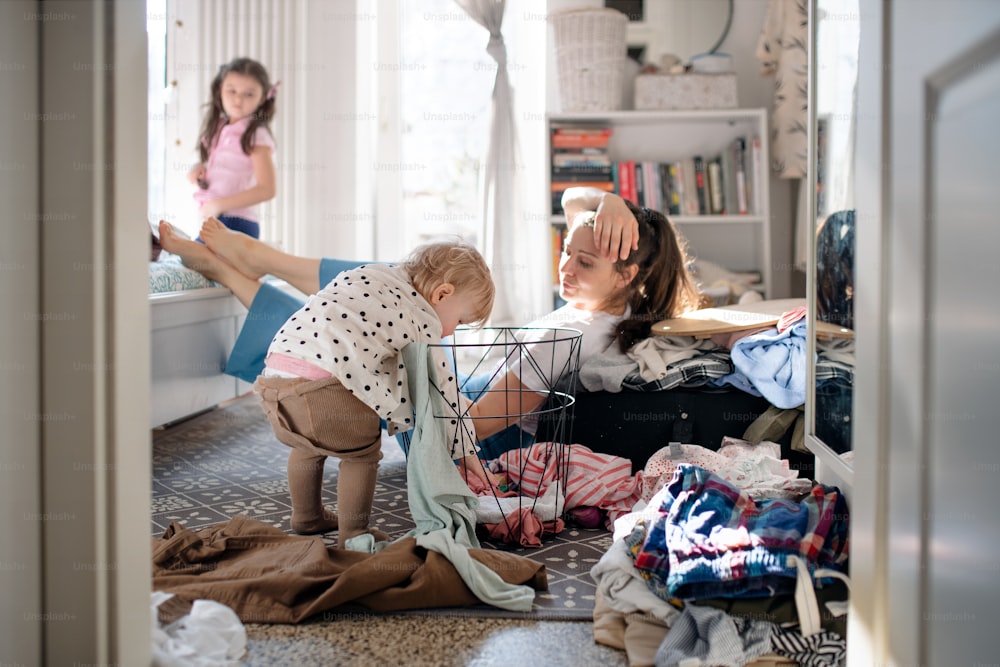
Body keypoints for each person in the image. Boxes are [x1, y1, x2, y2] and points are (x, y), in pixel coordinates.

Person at [157, 187, 706, 459]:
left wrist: (393, 384)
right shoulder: (626, 308)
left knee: (351, 326)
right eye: (567, 249)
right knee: (387, 293)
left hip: (458, 427)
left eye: (585, 262)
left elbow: (468, 429)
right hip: (467, 396)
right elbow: (574, 200)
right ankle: (250, 268)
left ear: (630, 273)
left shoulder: (562, 339)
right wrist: (610, 201)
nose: (566, 266)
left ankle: (252, 267)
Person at [253, 240, 498, 544]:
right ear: (442, 294)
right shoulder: (423, 317)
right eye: (459, 321)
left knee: (307, 444)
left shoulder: (372, 273)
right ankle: (353, 532)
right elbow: (443, 393)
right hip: (322, 386)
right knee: (362, 453)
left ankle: (307, 516)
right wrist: (468, 454)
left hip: (274, 381)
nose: (450, 331)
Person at [188, 57, 278, 239]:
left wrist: (219, 205)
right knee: (190, 257)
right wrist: (198, 169)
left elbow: (267, 188)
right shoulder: (220, 127)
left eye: (249, 94)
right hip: (217, 218)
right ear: (219, 90)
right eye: (232, 91)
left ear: (262, 98)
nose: (238, 99)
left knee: (192, 258)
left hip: (238, 222)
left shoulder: (255, 135)